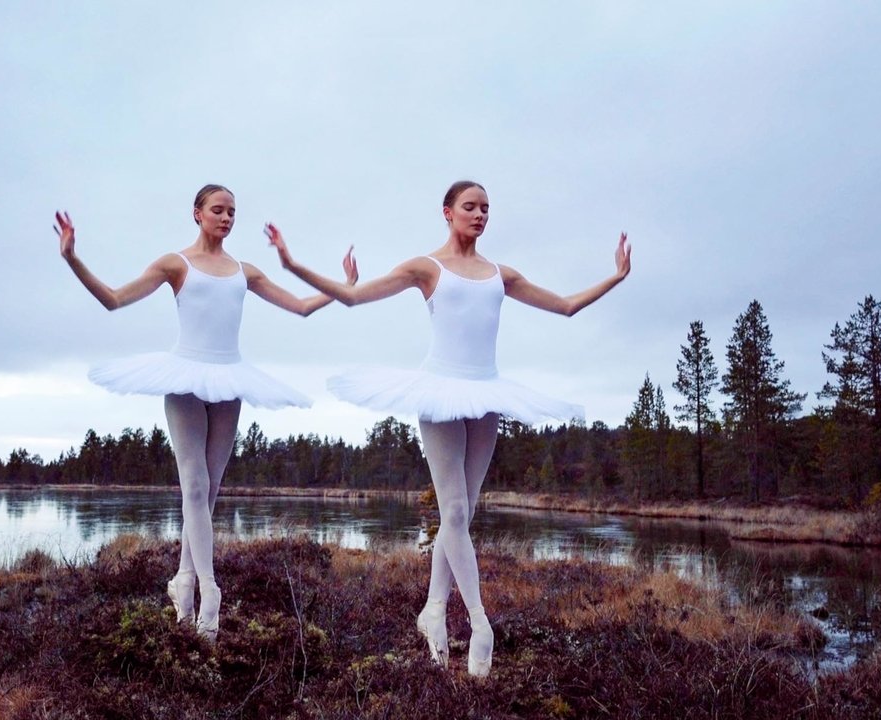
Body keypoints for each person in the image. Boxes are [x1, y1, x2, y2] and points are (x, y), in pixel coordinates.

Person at [266, 180, 630, 676]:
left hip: (486, 395)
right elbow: (352, 298)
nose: (480, 215)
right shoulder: (426, 268)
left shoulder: (500, 274)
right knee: (454, 510)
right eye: (470, 207)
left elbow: (565, 305)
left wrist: (616, 277)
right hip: (439, 392)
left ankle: (433, 609)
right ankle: (480, 623)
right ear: (447, 212)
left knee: (462, 515)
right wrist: (292, 265)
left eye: (486, 209)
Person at [55, 184, 353, 640]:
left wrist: (343, 289)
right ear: (197, 213)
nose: (226, 217)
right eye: (218, 210)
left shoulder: (244, 271)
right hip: (184, 378)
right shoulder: (175, 264)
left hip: (229, 379)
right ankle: (208, 590)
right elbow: (113, 299)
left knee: (209, 490)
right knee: (194, 485)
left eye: (232, 211)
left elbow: (300, 307)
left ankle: (183, 579)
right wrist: (72, 258)